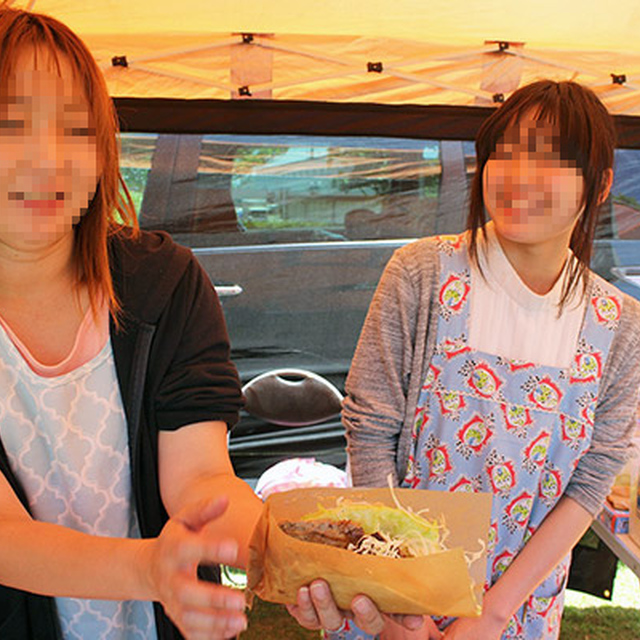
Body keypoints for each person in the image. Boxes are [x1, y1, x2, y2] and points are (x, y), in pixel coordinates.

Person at [287, 80, 640, 639]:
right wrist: (407, 602)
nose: (521, 175)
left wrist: (493, 613)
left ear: (598, 186)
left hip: (517, 608)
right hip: (390, 601)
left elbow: (591, 480)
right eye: (508, 152)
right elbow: (370, 428)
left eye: (550, 159)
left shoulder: (619, 324)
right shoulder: (422, 274)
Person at [0, 7, 263, 639]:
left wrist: (236, 553)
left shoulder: (163, 283)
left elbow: (203, 476)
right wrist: (150, 569)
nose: (46, 157)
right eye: (10, 125)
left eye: (73, 129)